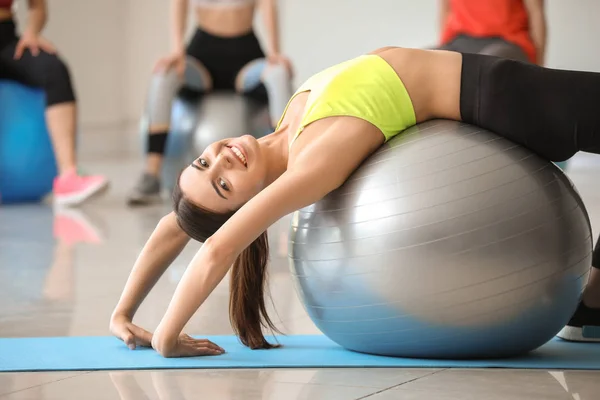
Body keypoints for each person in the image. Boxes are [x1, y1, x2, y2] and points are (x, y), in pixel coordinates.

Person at [110, 46, 600, 358]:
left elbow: (175, 226)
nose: (218, 159)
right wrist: (168, 338)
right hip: (502, 98)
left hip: (496, 84)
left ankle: (592, 299)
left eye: (202, 163)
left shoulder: (287, 125)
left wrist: (122, 312)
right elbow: (217, 248)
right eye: (222, 185)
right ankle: (593, 301)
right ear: (249, 205)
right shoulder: (310, 166)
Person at [128, 0, 293, 206]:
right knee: (164, 75)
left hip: (246, 54)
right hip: (202, 54)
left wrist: (275, 51)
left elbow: (267, 4)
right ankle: (151, 175)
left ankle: (292, 169)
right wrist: (177, 49)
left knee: (278, 74)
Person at [0, 0, 108, 206]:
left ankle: (68, 177)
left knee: (54, 69)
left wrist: (32, 32)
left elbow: (37, 6)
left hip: (7, 40)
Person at [437, 0, 546, 65]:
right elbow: (446, 10)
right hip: (461, 40)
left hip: (509, 41)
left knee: (485, 65)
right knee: (426, 61)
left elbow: (536, 13)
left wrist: (539, 69)